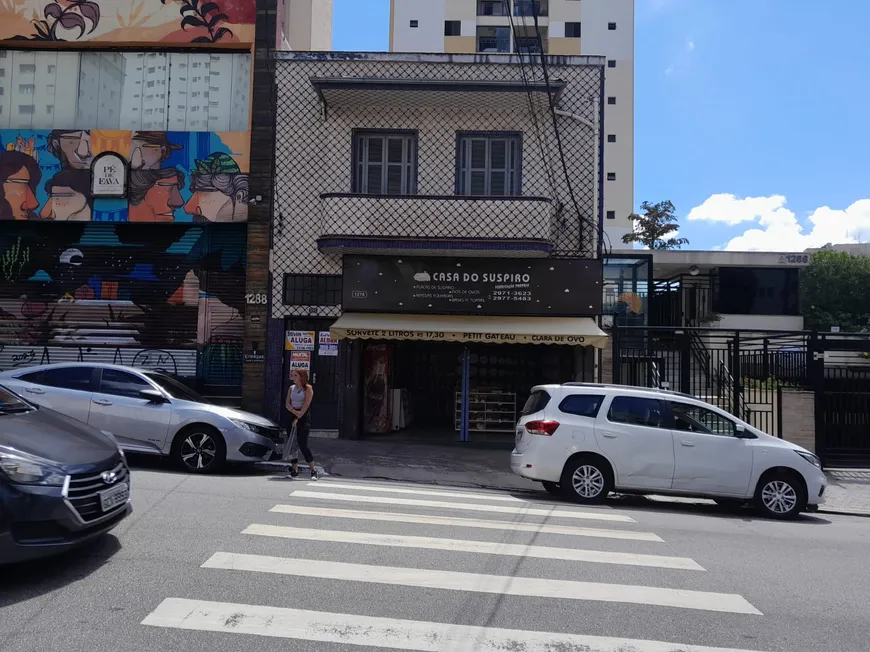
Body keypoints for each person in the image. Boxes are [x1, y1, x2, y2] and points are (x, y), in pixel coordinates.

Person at [285, 369, 317, 480]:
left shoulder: (308, 389)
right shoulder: (291, 388)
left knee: (303, 444)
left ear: (301, 377)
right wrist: (294, 413)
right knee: (292, 445)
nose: (293, 377)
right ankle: (294, 470)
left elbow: (306, 406)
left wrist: (297, 418)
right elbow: (287, 403)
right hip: (292, 414)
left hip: (303, 416)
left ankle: (313, 470)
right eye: (293, 375)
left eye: (295, 375)